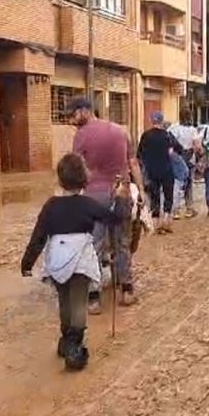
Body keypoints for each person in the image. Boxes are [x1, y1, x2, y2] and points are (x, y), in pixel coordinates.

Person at [21, 153, 130, 370]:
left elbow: (38, 236)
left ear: (60, 179)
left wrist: (27, 262)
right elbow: (114, 219)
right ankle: (75, 347)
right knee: (79, 302)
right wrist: (119, 198)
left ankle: (65, 341)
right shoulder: (87, 204)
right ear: (84, 178)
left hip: (57, 258)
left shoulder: (50, 205)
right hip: (80, 259)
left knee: (64, 300)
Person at [68, 97, 136, 314]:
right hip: (121, 191)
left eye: (73, 115)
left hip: (94, 196)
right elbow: (133, 163)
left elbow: (76, 169)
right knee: (122, 242)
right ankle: (126, 290)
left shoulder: (81, 136)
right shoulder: (121, 131)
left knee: (94, 245)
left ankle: (94, 298)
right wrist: (141, 191)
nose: (71, 121)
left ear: (85, 111)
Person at [138, 111, 180, 234]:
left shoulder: (146, 136)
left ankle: (155, 224)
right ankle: (166, 221)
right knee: (168, 196)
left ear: (152, 121)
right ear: (162, 121)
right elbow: (179, 149)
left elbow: (139, 154)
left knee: (154, 197)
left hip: (152, 171)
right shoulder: (167, 135)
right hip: (166, 169)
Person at [167, 111, 199, 218]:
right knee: (188, 184)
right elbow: (196, 145)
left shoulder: (174, 128)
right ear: (189, 117)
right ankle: (189, 209)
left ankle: (176, 210)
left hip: (177, 159)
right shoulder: (192, 130)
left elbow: (168, 141)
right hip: (189, 159)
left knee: (177, 184)